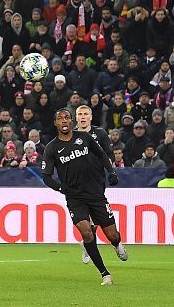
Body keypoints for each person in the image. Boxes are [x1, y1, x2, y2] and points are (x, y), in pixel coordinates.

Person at [41, 109, 125, 286]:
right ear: (55, 123)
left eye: (66, 118)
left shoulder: (85, 138)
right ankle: (105, 274)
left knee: (112, 234)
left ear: (71, 121)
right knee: (87, 232)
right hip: (74, 198)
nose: (64, 121)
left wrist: (111, 172)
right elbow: (47, 177)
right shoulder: (51, 148)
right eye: (60, 118)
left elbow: (102, 154)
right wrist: (61, 188)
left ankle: (117, 244)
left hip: (96, 194)